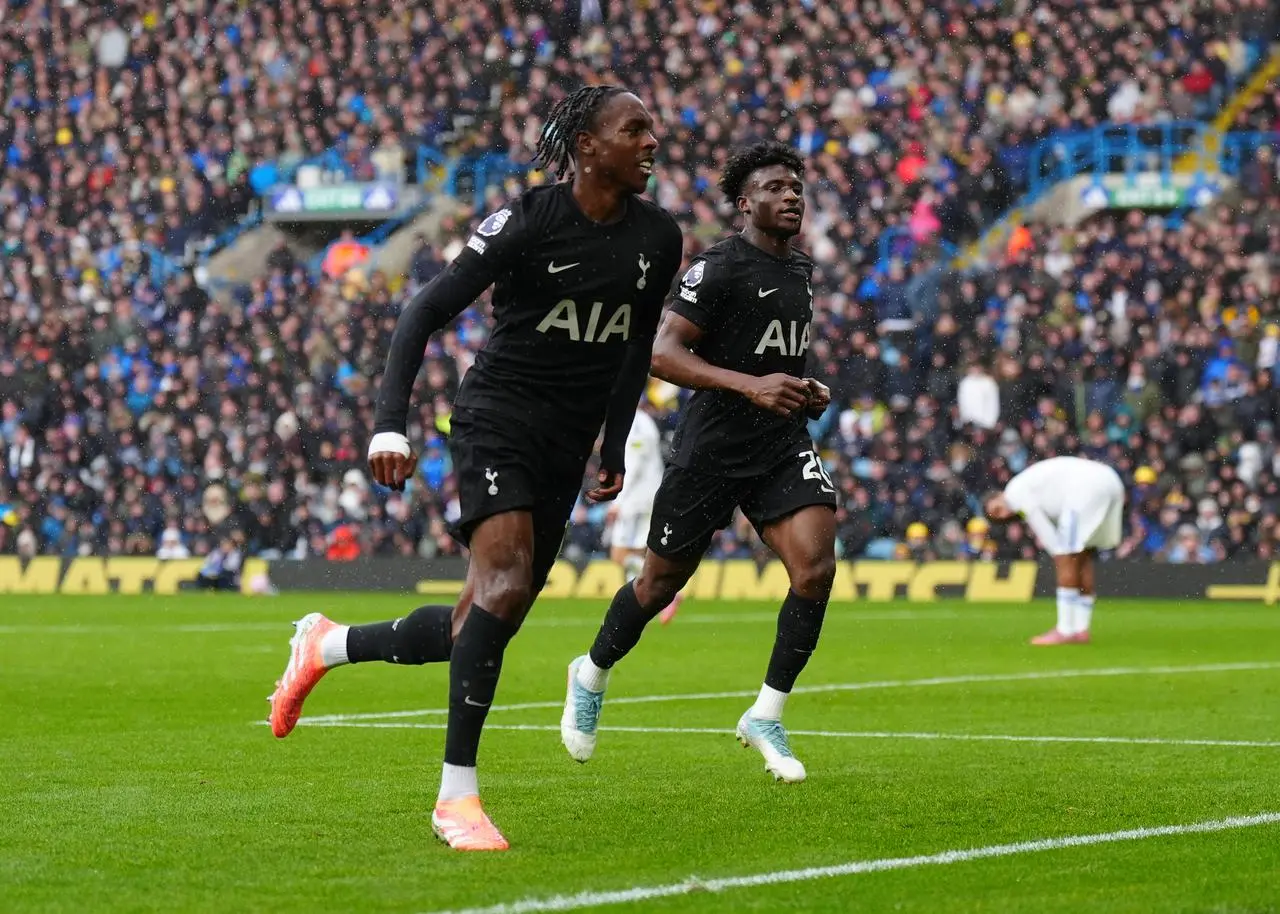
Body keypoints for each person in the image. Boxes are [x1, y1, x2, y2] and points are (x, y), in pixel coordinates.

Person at [266, 85, 684, 851]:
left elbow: (634, 349)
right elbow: (422, 311)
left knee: (482, 621)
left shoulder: (659, 237)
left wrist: (614, 444)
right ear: (588, 147)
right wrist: (389, 425)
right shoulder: (528, 220)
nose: (652, 141)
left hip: (565, 446)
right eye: (636, 129)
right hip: (497, 420)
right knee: (503, 584)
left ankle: (326, 644)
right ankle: (456, 799)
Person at [560, 142, 837, 784]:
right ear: (745, 203)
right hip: (711, 449)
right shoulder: (718, 267)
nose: (791, 196)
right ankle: (590, 673)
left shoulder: (801, 270)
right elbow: (663, 354)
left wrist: (803, 388)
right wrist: (751, 386)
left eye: (796, 188)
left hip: (780, 443)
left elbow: (773, 357)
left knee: (816, 568)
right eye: (775, 188)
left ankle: (766, 714)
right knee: (658, 585)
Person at [983, 455, 1126, 645]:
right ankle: (1080, 629)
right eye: (998, 517)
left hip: (1085, 489)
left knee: (1066, 557)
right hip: (1111, 481)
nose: (1004, 514)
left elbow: (1044, 530)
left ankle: (1065, 630)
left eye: (997, 510)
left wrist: (1058, 554)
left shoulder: (1013, 494)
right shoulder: (1029, 487)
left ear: (998, 495)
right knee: (1083, 556)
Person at [608, 398, 683, 624]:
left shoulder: (635, 424)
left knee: (619, 554)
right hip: (649, 495)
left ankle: (665, 593)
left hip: (636, 500)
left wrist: (617, 502)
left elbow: (633, 467)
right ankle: (643, 603)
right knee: (640, 553)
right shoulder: (643, 422)